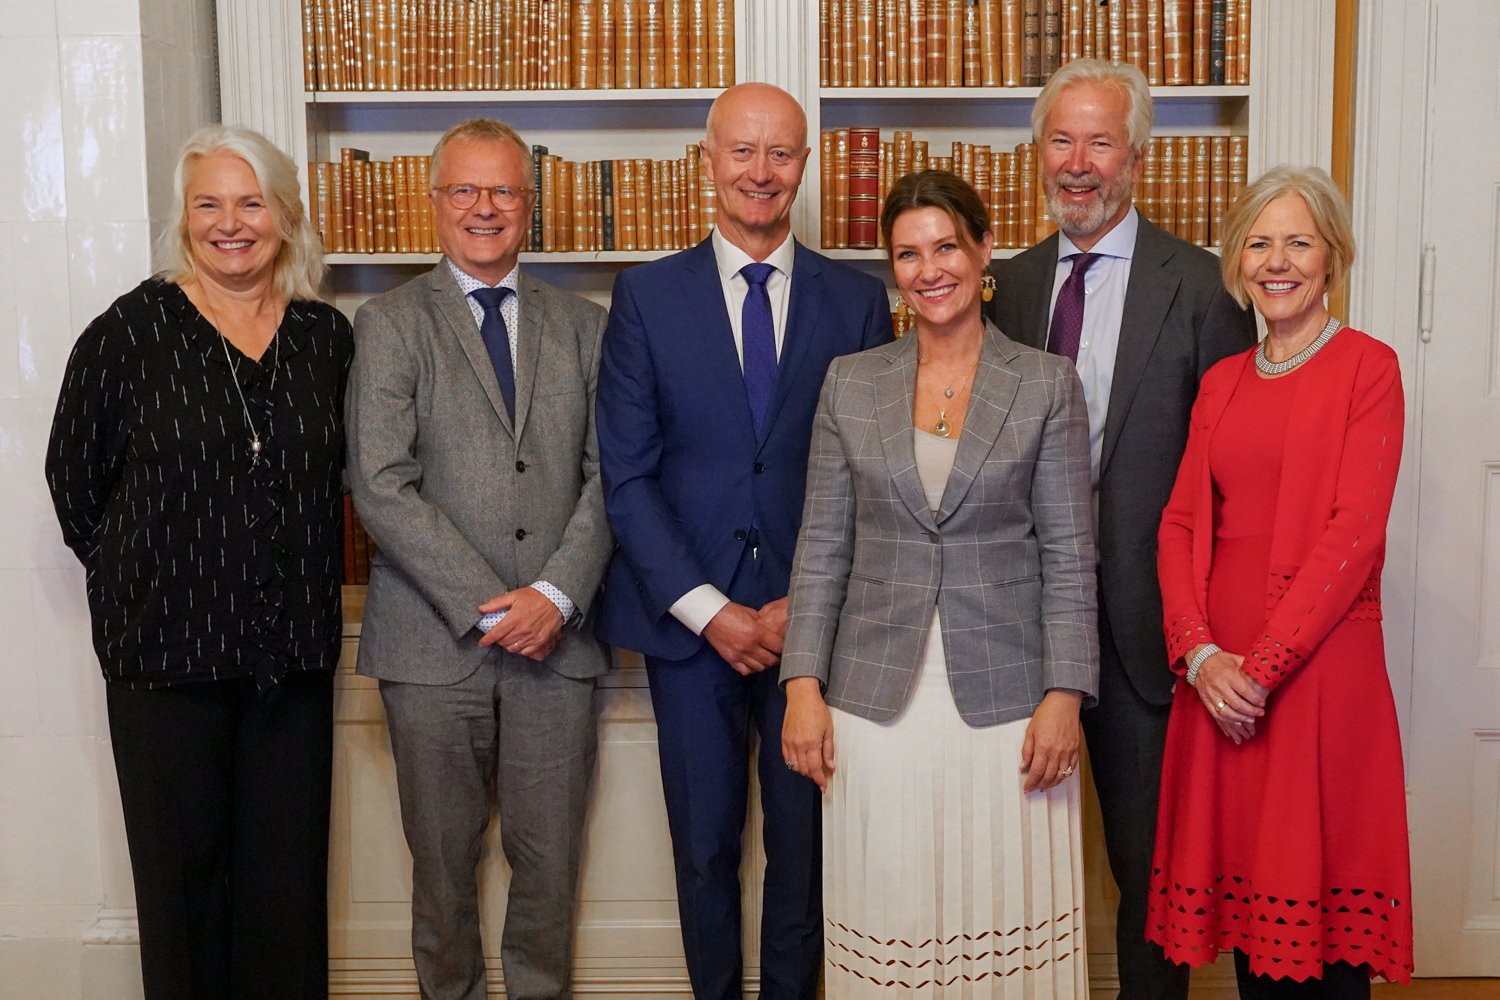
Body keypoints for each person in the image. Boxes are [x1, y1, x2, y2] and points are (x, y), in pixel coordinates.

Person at [594, 82, 892, 999]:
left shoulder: (858, 302)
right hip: (691, 631)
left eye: (781, 153)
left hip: (816, 629)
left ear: (805, 164)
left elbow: (877, 477)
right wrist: (711, 611)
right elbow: (627, 476)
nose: (761, 172)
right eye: (743, 151)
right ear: (708, 160)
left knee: (804, 855)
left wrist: (809, 606)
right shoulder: (646, 296)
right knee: (704, 850)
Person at [44, 124, 349, 1000]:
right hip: (164, 661)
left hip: (290, 658)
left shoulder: (327, 337)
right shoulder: (128, 333)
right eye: (207, 205)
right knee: (183, 893)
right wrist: (144, 577)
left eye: (251, 203)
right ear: (183, 220)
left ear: (285, 215)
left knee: (286, 890)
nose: (230, 223)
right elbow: (74, 481)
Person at [778, 170, 1098, 997]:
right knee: (893, 905)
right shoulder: (851, 382)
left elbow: (1070, 552)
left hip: (1010, 700)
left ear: (984, 250)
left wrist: (1065, 694)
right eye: (908, 254)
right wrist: (802, 686)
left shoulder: (1046, 382)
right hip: (872, 699)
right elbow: (822, 545)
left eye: (946, 246)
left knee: (1002, 907)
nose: (930, 270)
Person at [983, 58, 1256, 1000]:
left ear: (1138, 158)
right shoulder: (1007, 287)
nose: (1078, 162)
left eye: (1100, 142)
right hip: (1015, 632)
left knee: (1149, 877)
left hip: (1148, 636)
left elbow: (1231, 480)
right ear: (1038, 154)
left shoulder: (1206, 288)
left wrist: (1213, 629)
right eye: (1061, 140)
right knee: (1013, 869)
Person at [344, 118, 612, 1000]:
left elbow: (611, 478)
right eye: (464, 189)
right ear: (435, 203)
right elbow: (380, 483)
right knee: (442, 867)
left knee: (550, 866)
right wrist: (494, 604)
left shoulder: (585, 327)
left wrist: (555, 596)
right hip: (432, 647)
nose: (484, 207)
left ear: (530, 205)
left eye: (503, 190)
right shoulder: (389, 323)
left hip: (557, 645)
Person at [1147, 164, 1414, 996]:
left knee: (1323, 934)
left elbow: (1355, 535)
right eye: (1259, 243)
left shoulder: (1370, 368)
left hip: (1316, 680)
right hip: (1219, 681)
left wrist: (1259, 671)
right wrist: (1201, 657)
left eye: (1299, 242)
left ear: (1332, 255)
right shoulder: (1223, 381)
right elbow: (1179, 524)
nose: (1278, 262)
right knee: (1253, 933)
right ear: (1237, 261)